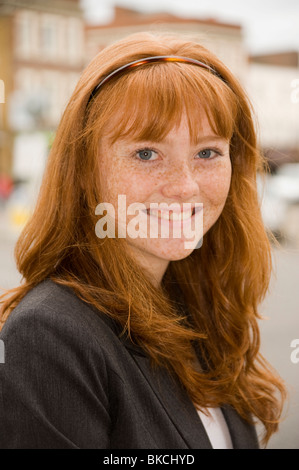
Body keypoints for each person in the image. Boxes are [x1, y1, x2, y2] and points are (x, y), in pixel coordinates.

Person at [0, 31, 286, 449]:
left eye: (207, 152)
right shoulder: (49, 336)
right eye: (146, 153)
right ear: (84, 171)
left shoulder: (193, 308)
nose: (185, 186)